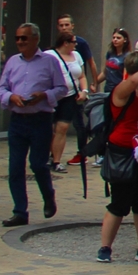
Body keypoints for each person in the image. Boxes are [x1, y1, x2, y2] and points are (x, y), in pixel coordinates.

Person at [0, 21, 64, 226]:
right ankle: (20, 211)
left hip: (40, 119)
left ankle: (48, 196)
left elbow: (61, 88)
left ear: (35, 39)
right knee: (15, 167)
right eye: (17, 38)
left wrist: (44, 95)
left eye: (24, 38)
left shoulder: (49, 61)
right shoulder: (12, 62)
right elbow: (1, 88)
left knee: (38, 164)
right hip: (18, 120)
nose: (20, 42)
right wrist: (11, 97)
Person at [99, 50, 138, 265]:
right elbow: (132, 81)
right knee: (119, 203)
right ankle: (105, 247)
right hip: (122, 152)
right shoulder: (122, 90)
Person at [48, 26, 93, 171]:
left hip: (70, 96)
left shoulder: (77, 56)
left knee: (62, 128)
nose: (76, 44)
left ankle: (56, 161)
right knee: (49, 129)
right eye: (73, 42)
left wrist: (84, 91)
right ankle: (46, 156)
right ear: (65, 43)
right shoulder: (49, 55)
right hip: (52, 97)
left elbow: (82, 76)